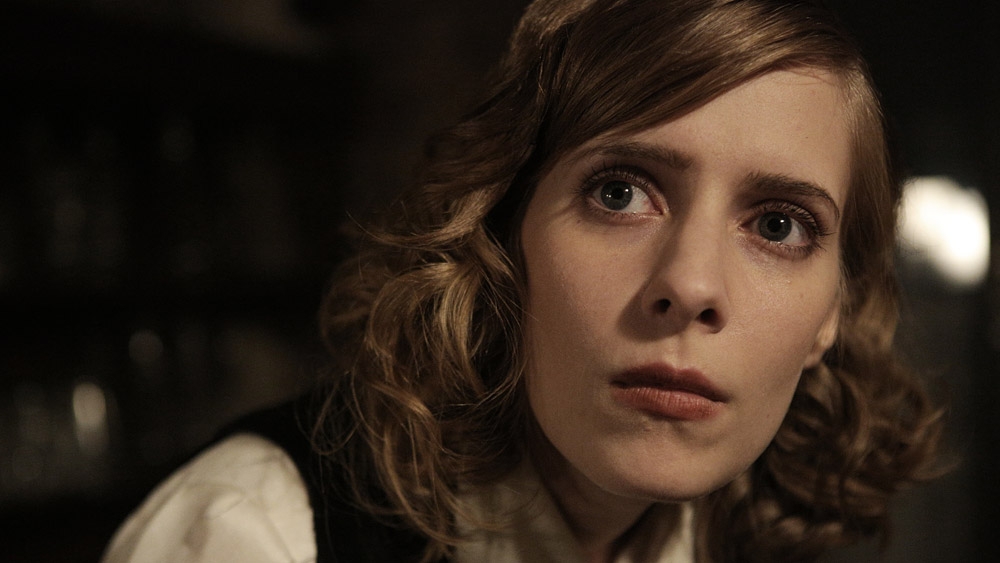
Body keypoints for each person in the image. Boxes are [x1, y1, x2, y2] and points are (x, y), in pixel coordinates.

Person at [102, 0, 943, 561]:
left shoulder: (745, 537)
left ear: (832, 312)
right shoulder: (251, 534)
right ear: (503, 233)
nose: (690, 284)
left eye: (779, 225)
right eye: (620, 193)